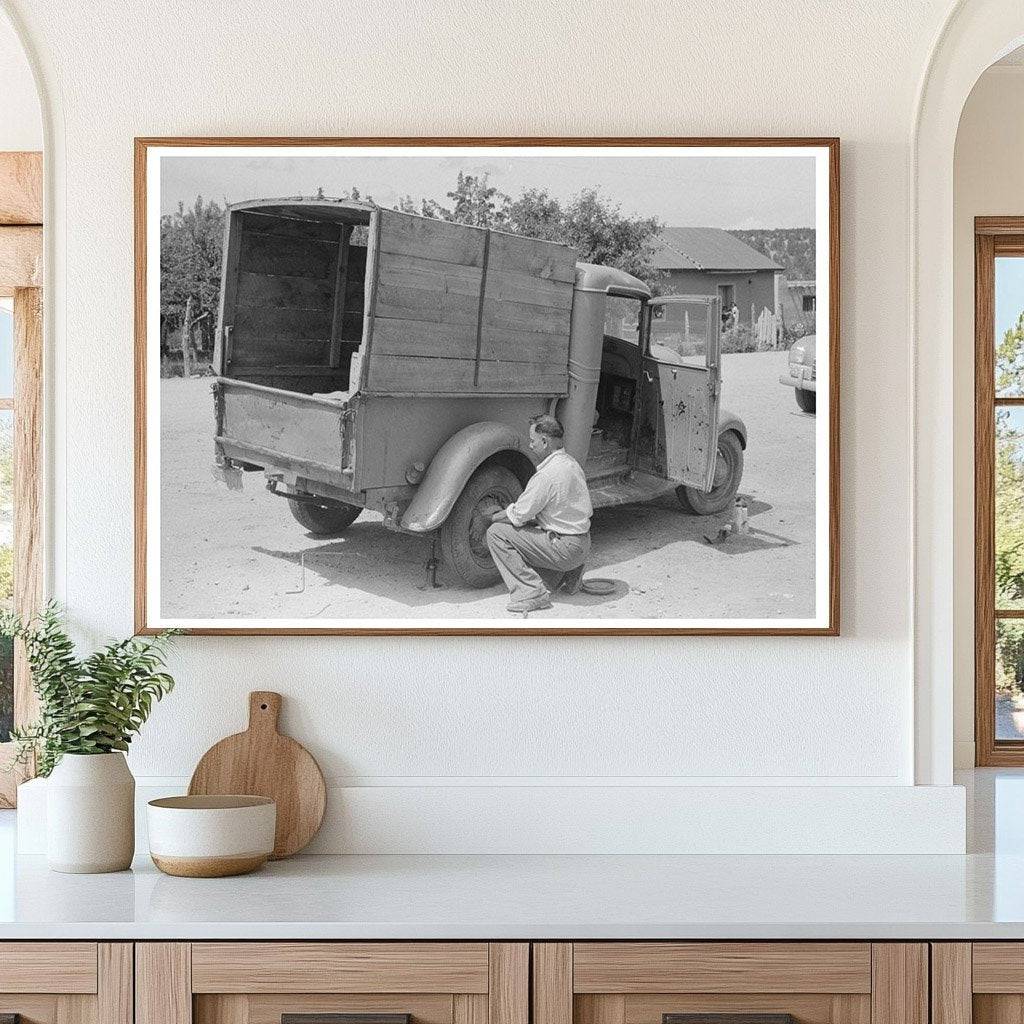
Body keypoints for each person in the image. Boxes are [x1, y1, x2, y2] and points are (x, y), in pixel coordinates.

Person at [486, 414, 592, 613]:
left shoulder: (546, 476)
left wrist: (490, 517)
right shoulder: (572, 464)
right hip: (583, 544)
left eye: (533, 441)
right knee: (538, 525)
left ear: (545, 441)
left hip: (564, 549)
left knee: (496, 533)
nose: (530, 445)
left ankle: (531, 593)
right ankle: (569, 575)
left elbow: (518, 516)